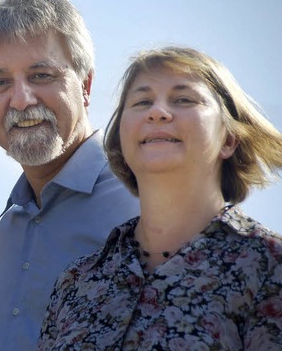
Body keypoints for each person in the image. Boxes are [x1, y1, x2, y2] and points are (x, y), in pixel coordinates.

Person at [38, 46, 282, 350]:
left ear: (229, 139)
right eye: (142, 101)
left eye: (183, 99)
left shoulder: (269, 266)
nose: (157, 112)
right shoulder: (75, 282)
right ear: (121, 140)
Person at [0, 0, 139, 348]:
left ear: (85, 85)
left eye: (41, 75)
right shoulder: (11, 226)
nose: (22, 99)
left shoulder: (140, 200)